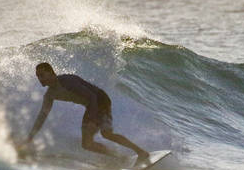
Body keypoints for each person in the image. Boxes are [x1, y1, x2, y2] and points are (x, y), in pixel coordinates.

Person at [22, 62, 150, 164]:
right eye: (38, 76)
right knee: (88, 144)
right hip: (91, 105)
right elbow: (42, 117)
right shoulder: (50, 95)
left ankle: (140, 153)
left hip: (100, 100)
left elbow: (92, 96)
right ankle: (120, 158)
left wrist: (93, 119)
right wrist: (30, 137)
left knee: (106, 134)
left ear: (51, 72)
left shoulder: (67, 81)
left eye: (42, 75)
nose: (40, 79)